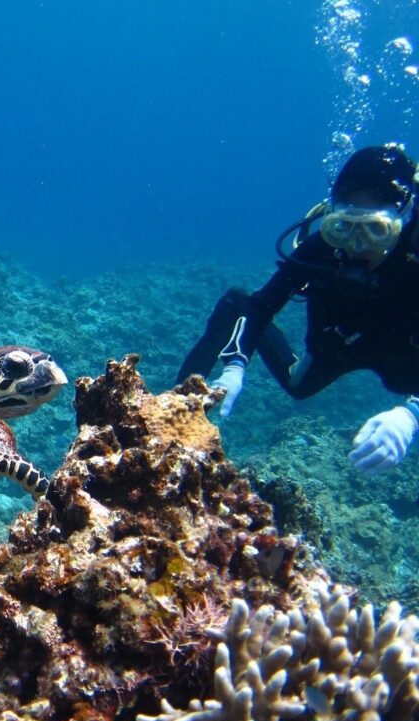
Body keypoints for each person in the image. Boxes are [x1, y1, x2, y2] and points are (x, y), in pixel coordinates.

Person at [177, 144, 419, 477]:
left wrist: (412, 415)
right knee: (297, 385)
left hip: (407, 360)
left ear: (404, 217)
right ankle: (177, 412)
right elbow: (262, 305)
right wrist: (235, 364)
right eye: (343, 227)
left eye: (376, 229)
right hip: (338, 343)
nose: (357, 245)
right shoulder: (321, 249)